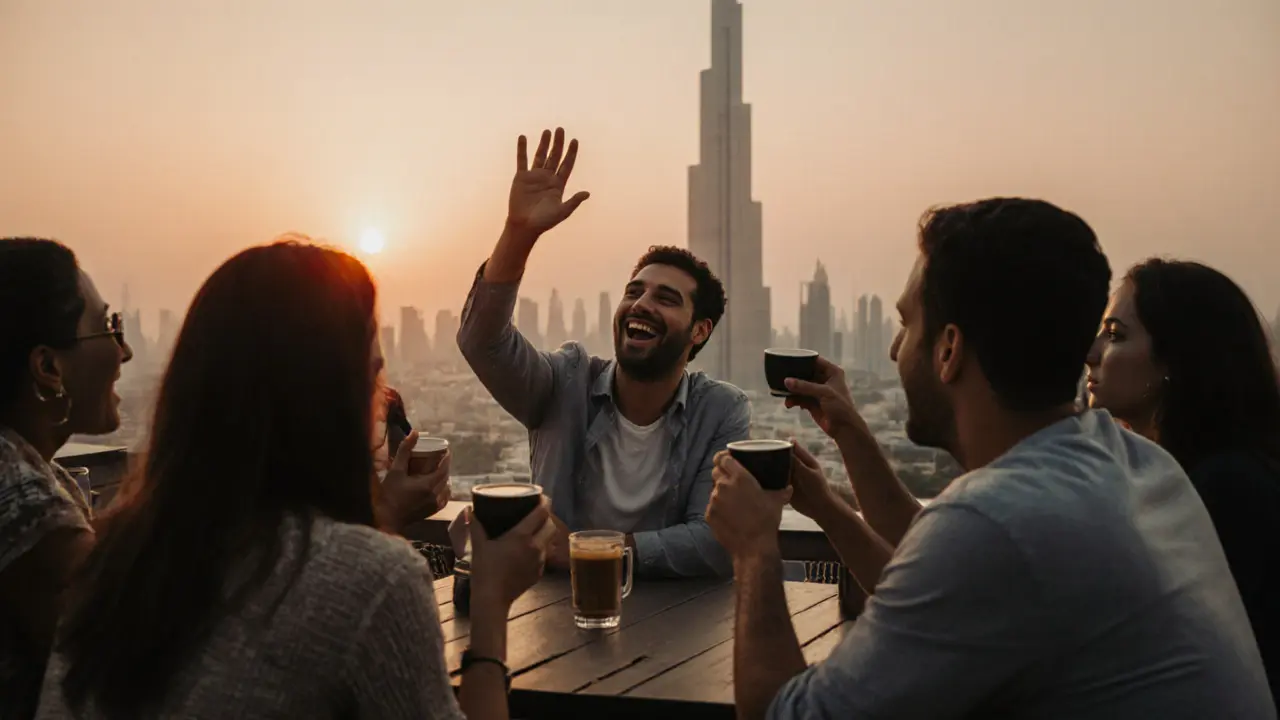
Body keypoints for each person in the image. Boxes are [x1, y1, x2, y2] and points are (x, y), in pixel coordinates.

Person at [705, 198, 1275, 719]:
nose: (895, 350)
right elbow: (939, 578)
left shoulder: (999, 519)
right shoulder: (1136, 464)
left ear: (949, 349)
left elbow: (778, 714)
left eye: (907, 324)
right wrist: (837, 478)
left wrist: (756, 549)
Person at [35, 240, 553, 720]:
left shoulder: (113, 558)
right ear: (326, 401)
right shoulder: (372, 578)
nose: (380, 399)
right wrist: (489, 599)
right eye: (371, 376)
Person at [457, 128, 749, 578]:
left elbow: (715, 542)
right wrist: (519, 234)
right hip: (554, 621)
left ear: (699, 331)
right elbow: (483, 342)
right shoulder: (565, 384)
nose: (642, 304)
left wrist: (584, 551)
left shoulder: (721, 409)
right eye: (634, 291)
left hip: (674, 632)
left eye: (667, 299)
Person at [1086, 258, 1280, 700]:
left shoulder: (1225, 488)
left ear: (1174, 359)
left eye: (1115, 335)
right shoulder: (1176, 474)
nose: (1092, 352)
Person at [0, 237, 133, 720]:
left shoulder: (39, 472)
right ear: (48, 367)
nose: (126, 352)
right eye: (108, 328)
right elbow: (127, 651)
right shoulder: (17, 491)